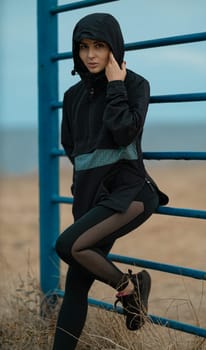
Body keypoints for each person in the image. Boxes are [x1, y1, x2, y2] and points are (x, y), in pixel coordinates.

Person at [52, 13, 168, 349]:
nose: (90, 55)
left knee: (67, 246)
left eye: (99, 46)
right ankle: (131, 289)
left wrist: (116, 85)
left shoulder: (135, 85)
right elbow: (72, 148)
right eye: (84, 47)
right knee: (75, 285)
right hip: (93, 199)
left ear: (113, 49)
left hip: (131, 193)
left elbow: (123, 133)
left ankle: (129, 286)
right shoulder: (73, 96)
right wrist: (85, 190)